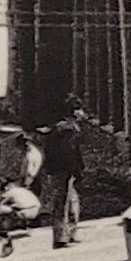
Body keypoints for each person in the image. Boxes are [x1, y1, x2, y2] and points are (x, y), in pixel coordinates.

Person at [39, 106, 89, 248]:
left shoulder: (62, 128)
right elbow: (69, 152)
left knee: (70, 202)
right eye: (80, 109)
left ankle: (68, 233)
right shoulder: (66, 130)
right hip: (64, 170)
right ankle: (61, 237)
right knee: (62, 202)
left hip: (61, 170)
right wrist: (76, 170)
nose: (83, 113)